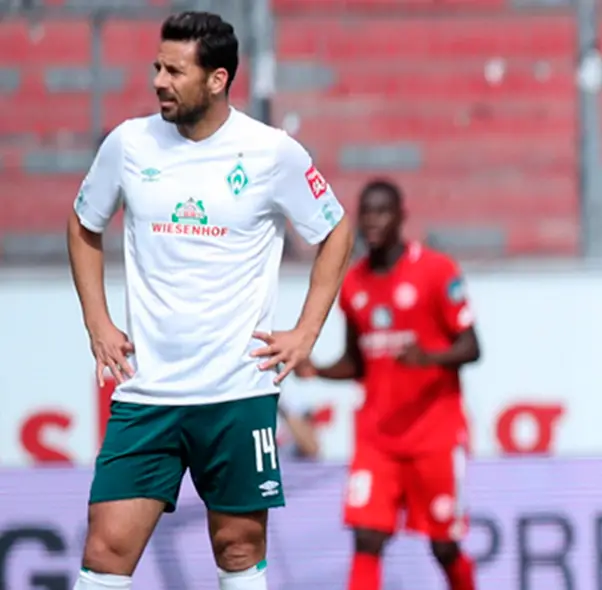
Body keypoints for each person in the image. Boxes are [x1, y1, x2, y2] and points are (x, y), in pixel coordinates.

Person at [66, 11, 353, 590]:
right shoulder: (129, 142)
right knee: (106, 546)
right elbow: (82, 223)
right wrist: (96, 320)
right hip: (147, 393)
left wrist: (305, 333)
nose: (159, 81)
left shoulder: (271, 152)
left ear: (217, 79)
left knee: (238, 546)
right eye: (157, 67)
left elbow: (334, 231)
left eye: (174, 70)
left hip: (237, 393)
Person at [296, 179, 481, 590]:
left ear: (401, 216)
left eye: (382, 212)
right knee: (366, 538)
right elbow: (358, 362)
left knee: (443, 546)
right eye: (366, 213)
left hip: (433, 434)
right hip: (378, 440)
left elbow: (471, 347)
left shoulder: (436, 271)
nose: (373, 221)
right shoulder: (355, 285)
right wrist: (318, 370)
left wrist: (428, 358)